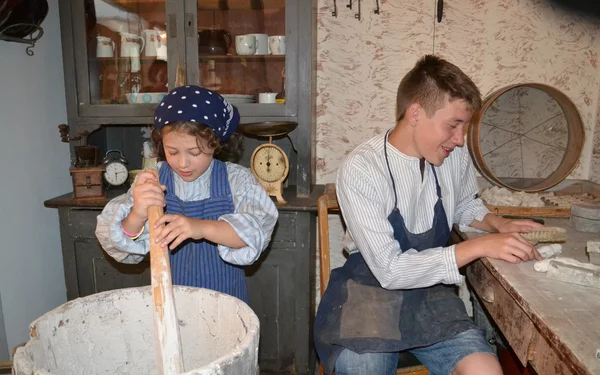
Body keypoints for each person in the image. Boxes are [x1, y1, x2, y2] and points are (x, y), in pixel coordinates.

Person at [314, 55, 543, 375]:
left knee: (486, 370)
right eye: (453, 125)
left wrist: (497, 223)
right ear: (416, 114)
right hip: (369, 294)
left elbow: (464, 204)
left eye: (464, 126)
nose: (461, 139)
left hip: (429, 295)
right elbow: (390, 271)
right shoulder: (363, 168)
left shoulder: (453, 154)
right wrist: (478, 246)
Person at [96, 85, 278, 303]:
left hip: (223, 305)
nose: (182, 163)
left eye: (195, 152)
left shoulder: (237, 181)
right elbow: (122, 241)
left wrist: (199, 227)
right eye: (172, 151)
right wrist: (137, 213)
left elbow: (255, 233)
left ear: (216, 143)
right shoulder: (152, 179)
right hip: (170, 303)